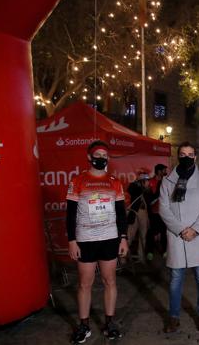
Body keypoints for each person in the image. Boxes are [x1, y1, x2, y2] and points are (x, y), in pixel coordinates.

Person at [65, 140, 128, 343]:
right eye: (97, 155)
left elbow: (121, 214)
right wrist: (72, 240)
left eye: (104, 155)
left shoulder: (114, 182)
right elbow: (70, 215)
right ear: (89, 157)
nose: (101, 158)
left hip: (110, 238)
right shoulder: (78, 181)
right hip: (85, 240)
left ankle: (110, 323)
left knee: (110, 281)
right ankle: (84, 326)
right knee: (85, 284)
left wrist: (123, 238)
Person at [159, 142, 199, 333]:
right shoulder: (167, 181)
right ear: (177, 156)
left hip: (198, 236)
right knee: (175, 279)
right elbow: (164, 209)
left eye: (190, 154)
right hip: (177, 236)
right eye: (183, 154)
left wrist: (195, 229)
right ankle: (173, 317)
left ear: (196, 157)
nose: (187, 157)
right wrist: (180, 229)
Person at [126, 171, 150, 263]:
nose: (147, 181)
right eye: (145, 179)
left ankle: (141, 257)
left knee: (143, 236)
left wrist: (146, 188)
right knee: (130, 235)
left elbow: (149, 199)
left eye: (147, 180)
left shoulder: (147, 189)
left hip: (144, 212)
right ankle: (123, 258)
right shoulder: (133, 186)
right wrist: (140, 185)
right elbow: (131, 192)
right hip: (135, 212)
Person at [146, 164, 168, 260]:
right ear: (159, 171)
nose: (165, 172)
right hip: (153, 212)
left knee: (164, 232)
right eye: (163, 170)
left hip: (164, 212)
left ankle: (164, 251)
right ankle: (150, 252)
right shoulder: (150, 182)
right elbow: (149, 199)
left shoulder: (166, 182)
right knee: (151, 232)